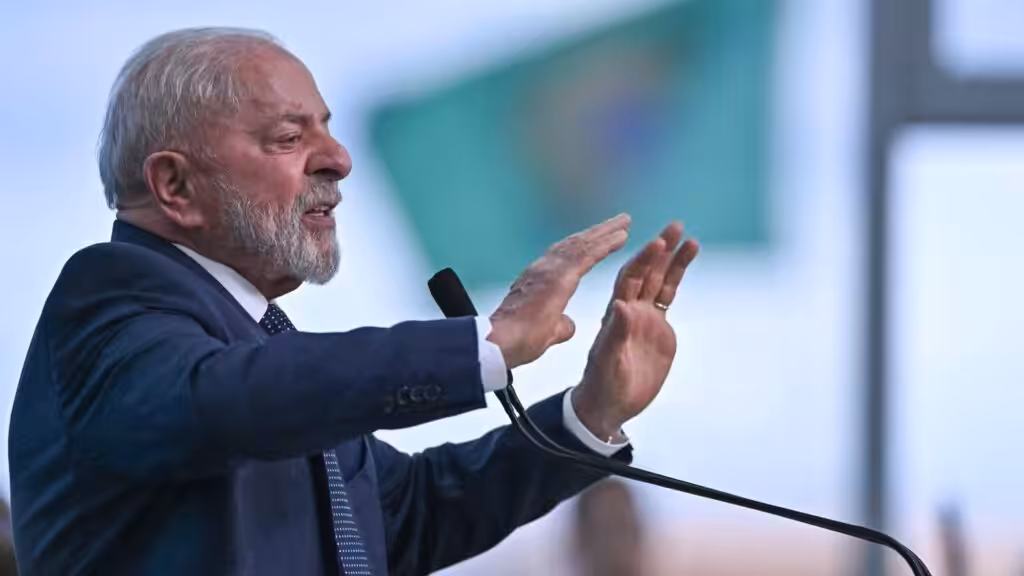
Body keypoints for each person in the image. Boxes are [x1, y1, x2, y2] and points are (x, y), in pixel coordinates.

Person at [8, 28, 699, 576]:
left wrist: (591, 414)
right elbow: (232, 401)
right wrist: (483, 345)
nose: (337, 157)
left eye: (326, 128)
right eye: (288, 137)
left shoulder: (269, 358)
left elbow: (411, 516)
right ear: (175, 187)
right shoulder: (105, 303)